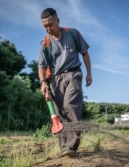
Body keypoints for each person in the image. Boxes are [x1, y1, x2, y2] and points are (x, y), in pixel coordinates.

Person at [38, 8, 92, 157]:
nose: (48, 28)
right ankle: (64, 148)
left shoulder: (72, 34)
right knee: (60, 113)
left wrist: (89, 74)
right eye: (45, 26)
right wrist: (43, 82)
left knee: (70, 106)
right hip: (55, 79)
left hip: (73, 74)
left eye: (50, 24)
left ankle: (72, 145)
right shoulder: (45, 43)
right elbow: (41, 67)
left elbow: (85, 53)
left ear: (58, 21)